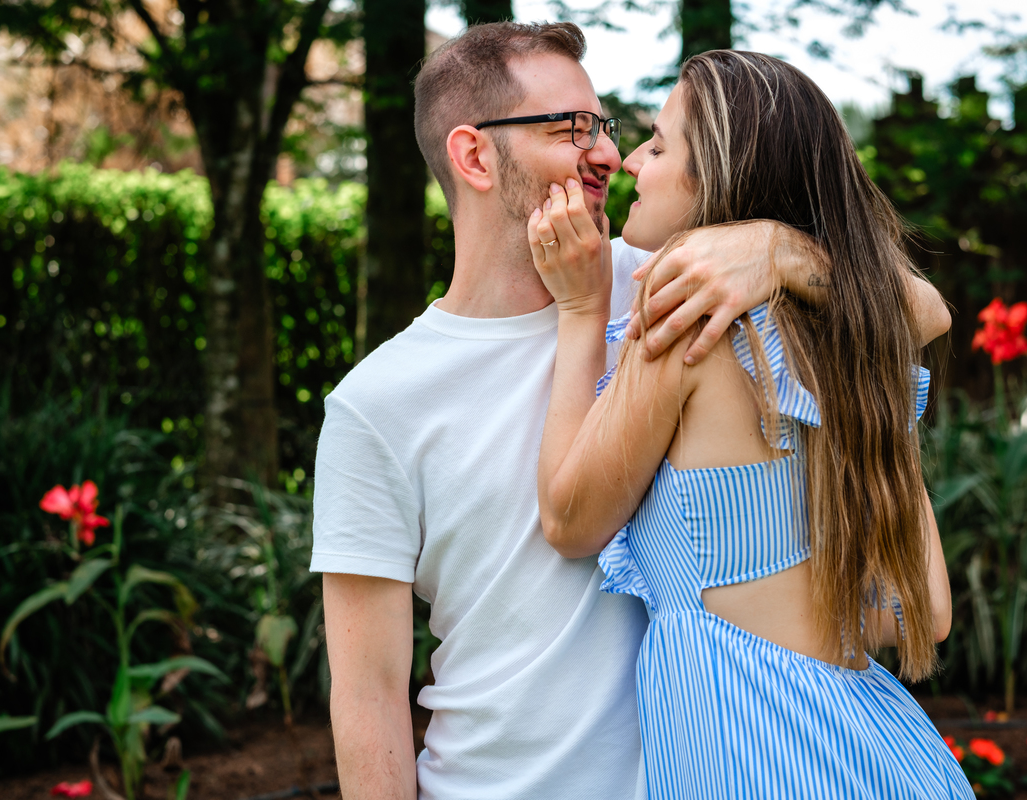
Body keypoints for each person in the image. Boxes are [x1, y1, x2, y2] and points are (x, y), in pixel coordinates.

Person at [313, 23, 951, 800]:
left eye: (607, 127)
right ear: (474, 156)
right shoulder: (376, 404)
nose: (611, 155)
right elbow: (368, 695)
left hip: (731, 769)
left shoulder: (683, 283)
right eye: (569, 130)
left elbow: (923, 311)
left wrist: (778, 249)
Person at [529, 50, 971, 798]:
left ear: (718, 179)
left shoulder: (691, 324)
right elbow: (922, 611)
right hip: (881, 749)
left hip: (753, 753)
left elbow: (571, 521)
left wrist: (579, 310)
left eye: (659, 146)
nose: (631, 160)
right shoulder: (864, 358)